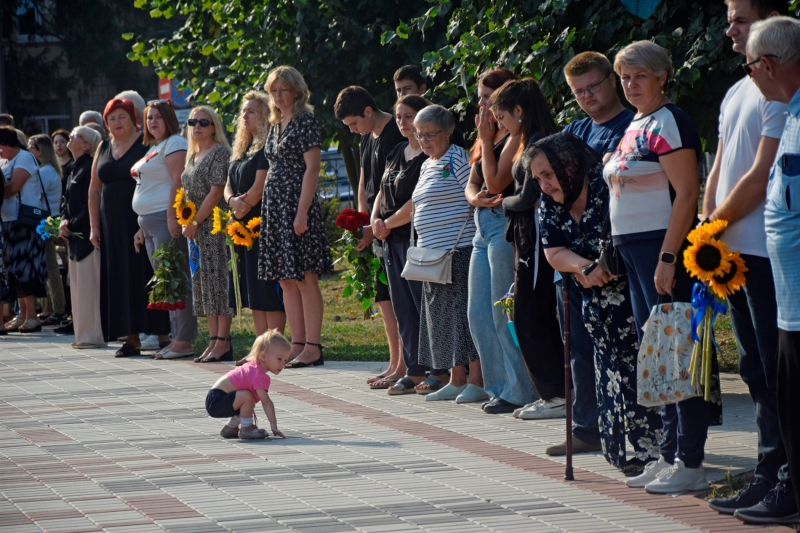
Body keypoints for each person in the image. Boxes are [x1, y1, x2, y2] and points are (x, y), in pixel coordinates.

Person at [604, 41, 721, 494]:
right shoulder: (637, 123)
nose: (631, 85)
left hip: (661, 251)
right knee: (657, 354)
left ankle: (691, 461)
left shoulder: (669, 121)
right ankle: (669, 453)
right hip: (634, 255)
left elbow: (687, 193)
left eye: (640, 77)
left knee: (676, 354)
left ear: (662, 77)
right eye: (625, 77)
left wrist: (670, 256)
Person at [703, 0, 792, 521]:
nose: (729, 27)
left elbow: (760, 175)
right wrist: (706, 225)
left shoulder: (775, 89)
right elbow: (719, 164)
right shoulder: (741, 87)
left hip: (762, 248)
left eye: (739, 17)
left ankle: (785, 475)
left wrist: (714, 224)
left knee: (774, 371)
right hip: (730, 251)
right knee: (755, 370)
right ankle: (766, 470)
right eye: (729, 17)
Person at [534, 132, 662, 472]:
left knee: (639, 369)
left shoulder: (607, 187)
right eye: (538, 178)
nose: (544, 184)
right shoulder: (549, 202)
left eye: (548, 174)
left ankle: (657, 451)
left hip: (632, 290)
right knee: (607, 372)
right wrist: (582, 267)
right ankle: (620, 451)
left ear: (571, 164)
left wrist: (600, 266)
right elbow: (553, 251)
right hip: (590, 293)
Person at [548, 51, 635, 456]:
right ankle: (586, 427)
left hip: (618, 261)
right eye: (578, 91)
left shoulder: (633, 124)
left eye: (593, 87)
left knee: (626, 352)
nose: (586, 96)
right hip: (572, 263)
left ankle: (639, 430)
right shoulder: (575, 131)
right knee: (579, 350)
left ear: (611, 82)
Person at [740, 15, 800, 525]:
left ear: (772, 64)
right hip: (789, 303)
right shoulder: (791, 113)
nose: (750, 74)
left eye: (752, 65)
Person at [489, 78, 562, 415]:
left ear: (519, 111)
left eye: (502, 117)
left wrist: (501, 204)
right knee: (527, 312)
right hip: (525, 236)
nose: (500, 125)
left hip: (536, 237)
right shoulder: (526, 140)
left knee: (531, 314)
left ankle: (557, 395)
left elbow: (530, 196)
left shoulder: (537, 142)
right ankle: (551, 392)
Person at [370, 95, 450, 395]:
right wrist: (376, 218)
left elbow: (417, 201)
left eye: (408, 116)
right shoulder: (395, 151)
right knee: (403, 308)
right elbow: (381, 189)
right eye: (399, 116)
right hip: (389, 239)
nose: (402, 123)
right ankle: (414, 368)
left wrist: (387, 224)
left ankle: (437, 369)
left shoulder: (429, 159)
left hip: (415, 240)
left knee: (424, 306)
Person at [464, 68, 534, 408]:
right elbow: (474, 181)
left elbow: (494, 183)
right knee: (477, 313)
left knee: (502, 312)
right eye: (479, 96)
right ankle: (498, 387)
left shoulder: (513, 136)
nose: (481, 104)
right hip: (482, 224)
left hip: (504, 227)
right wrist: (473, 197)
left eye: (487, 97)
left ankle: (520, 389)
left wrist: (488, 140)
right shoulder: (488, 137)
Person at [258, 66, 331, 368]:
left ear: (297, 91)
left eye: (282, 90)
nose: (277, 96)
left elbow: (312, 168)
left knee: (305, 278)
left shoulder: (306, 121)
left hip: (297, 206)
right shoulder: (275, 123)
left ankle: (313, 346)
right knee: (287, 279)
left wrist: (302, 212)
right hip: (275, 209)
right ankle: (297, 344)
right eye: (273, 90)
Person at [410, 105, 484, 399]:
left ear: (448, 132)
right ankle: (456, 379)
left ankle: (476, 381)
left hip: (458, 249)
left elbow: (473, 192)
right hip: (432, 255)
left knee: (463, 316)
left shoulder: (457, 158)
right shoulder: (427, 163)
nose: (425, 140)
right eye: (420, 135)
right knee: (441, 317)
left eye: (431, 134)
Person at [334, 86, 405, 386]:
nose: (353, 130)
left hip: (396, 226)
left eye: (354, 123)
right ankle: (393, 362)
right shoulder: (367, 137)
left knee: (400, 302)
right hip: (375, 227)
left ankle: (406, 365)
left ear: (367, 111)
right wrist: (362, 221)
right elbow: (365, 181)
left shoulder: (395, 134)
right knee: (384, 299)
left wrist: (376, 223)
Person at [88, 98, 170, 356]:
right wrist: (94, 227)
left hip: (141, 222)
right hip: (111, 226)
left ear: (133, 118)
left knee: (148, 274)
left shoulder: (146, 143)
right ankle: (131, 337)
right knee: (120, 277)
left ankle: (163, 334)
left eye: (122, 117)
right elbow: (93, 190)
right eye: (111, 118)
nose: (116, 123)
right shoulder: (102, 146)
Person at [131, 99, 197, 360]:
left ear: (169, 119)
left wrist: (172, 217)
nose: (153, 122)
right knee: (165, 284)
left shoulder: (175, 143)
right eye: (149, 118)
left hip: (163, 219)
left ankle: (184, 341)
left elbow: (177, 181)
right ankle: (175, 337)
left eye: (158, 117)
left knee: (175, 280)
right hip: (148, 222)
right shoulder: (154, 148)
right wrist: (139, 225)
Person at [226, 92, 286, 340]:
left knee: (265, 288)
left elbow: (260, 186)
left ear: (264, 115)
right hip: (243, 224)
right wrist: (232, 202)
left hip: (262, 223)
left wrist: (243, 205)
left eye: (251, 111)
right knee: (252, 289)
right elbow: (228, 182)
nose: (245, 116)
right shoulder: (242, 148)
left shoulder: (266, 147)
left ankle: (275, 343)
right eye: (243, 111)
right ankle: (261, 345)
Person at [180, 105, 234, 363]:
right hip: (196, 230)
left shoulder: (220, 153)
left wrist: (196, 221)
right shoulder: (192, 156)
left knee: (219, 282)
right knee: (204, 283)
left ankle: (223, 341)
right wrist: (186, 220)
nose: (197, 126)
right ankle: (213, 340)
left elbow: (215, 192)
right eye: (193, 122)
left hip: (214, 226)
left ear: (214, 126)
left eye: (203, 122)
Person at [0, 127, 48, 333]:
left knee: (26, 268)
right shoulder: (5, 161)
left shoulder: (25, 158)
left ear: (8, 144)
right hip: (8, 221)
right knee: (13, 269)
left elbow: (13, 188)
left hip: (25, 222)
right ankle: (21, 314)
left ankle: (32, 316)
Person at [60, 126, 104, 348]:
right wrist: (63, 220)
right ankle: (81, 334)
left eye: (74, 135)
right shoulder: (71, 168)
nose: (70, 137)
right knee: (76, 286)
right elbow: (66, 200)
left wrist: (73, 222)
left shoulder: (89, 168)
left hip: (87, 234)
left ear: (86, 145)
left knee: (88, 287)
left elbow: (90, 202)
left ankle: (92, 335)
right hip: (73, 234)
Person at [205, 329, 289, 439]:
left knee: (247, 399)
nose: (283, 364)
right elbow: (266, 402)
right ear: (263, 356)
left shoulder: (254, 367)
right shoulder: (258, 375)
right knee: (247, 396)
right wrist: (273, 425)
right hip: (217, 401)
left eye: (285, 360)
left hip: (215, 400)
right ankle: (246, 428)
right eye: (279, 359)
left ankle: (231, 427)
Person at [27, 134, 67, 327]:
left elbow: (35, 195)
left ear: (40, 150)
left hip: (46, 221)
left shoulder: (44, 172)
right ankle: (50, 308)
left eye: (31, 147)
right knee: (49, 266)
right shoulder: (51, 169)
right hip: (51, 219)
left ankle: (57, 309)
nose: (29, 151)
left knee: (50, 267)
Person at [393, 65, 467, 148]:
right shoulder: (400, 120)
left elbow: (459, 148)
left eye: (407, 88)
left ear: (422, 88)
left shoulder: (440, 117)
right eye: (398, 90)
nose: (402, 94)